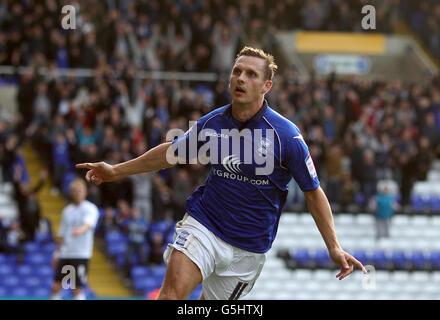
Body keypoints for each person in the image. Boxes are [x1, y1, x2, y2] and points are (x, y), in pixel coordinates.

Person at [76, 46, 366, 300]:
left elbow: (313, 192)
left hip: (248, 249)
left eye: (251, 74)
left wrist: (334, 247)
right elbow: (171, 153)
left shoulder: (286, 137)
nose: (240, 78)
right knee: (171, 295)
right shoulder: (212, 123)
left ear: (267, 85)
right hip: (204, 224)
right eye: (237, 71)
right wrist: (115, 170)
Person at [50, 179, 99, 300]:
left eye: (79, 191)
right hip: (66, 254)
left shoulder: (90, 208)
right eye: (74, 191)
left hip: (80, 255)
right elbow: (62, 234)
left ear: (85, 192)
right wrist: (57, 254)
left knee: (76, 288)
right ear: (71, 193)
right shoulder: (67, 211)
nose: (77, 193)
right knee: (56, 286)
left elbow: (89, 224)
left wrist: (80, 230)